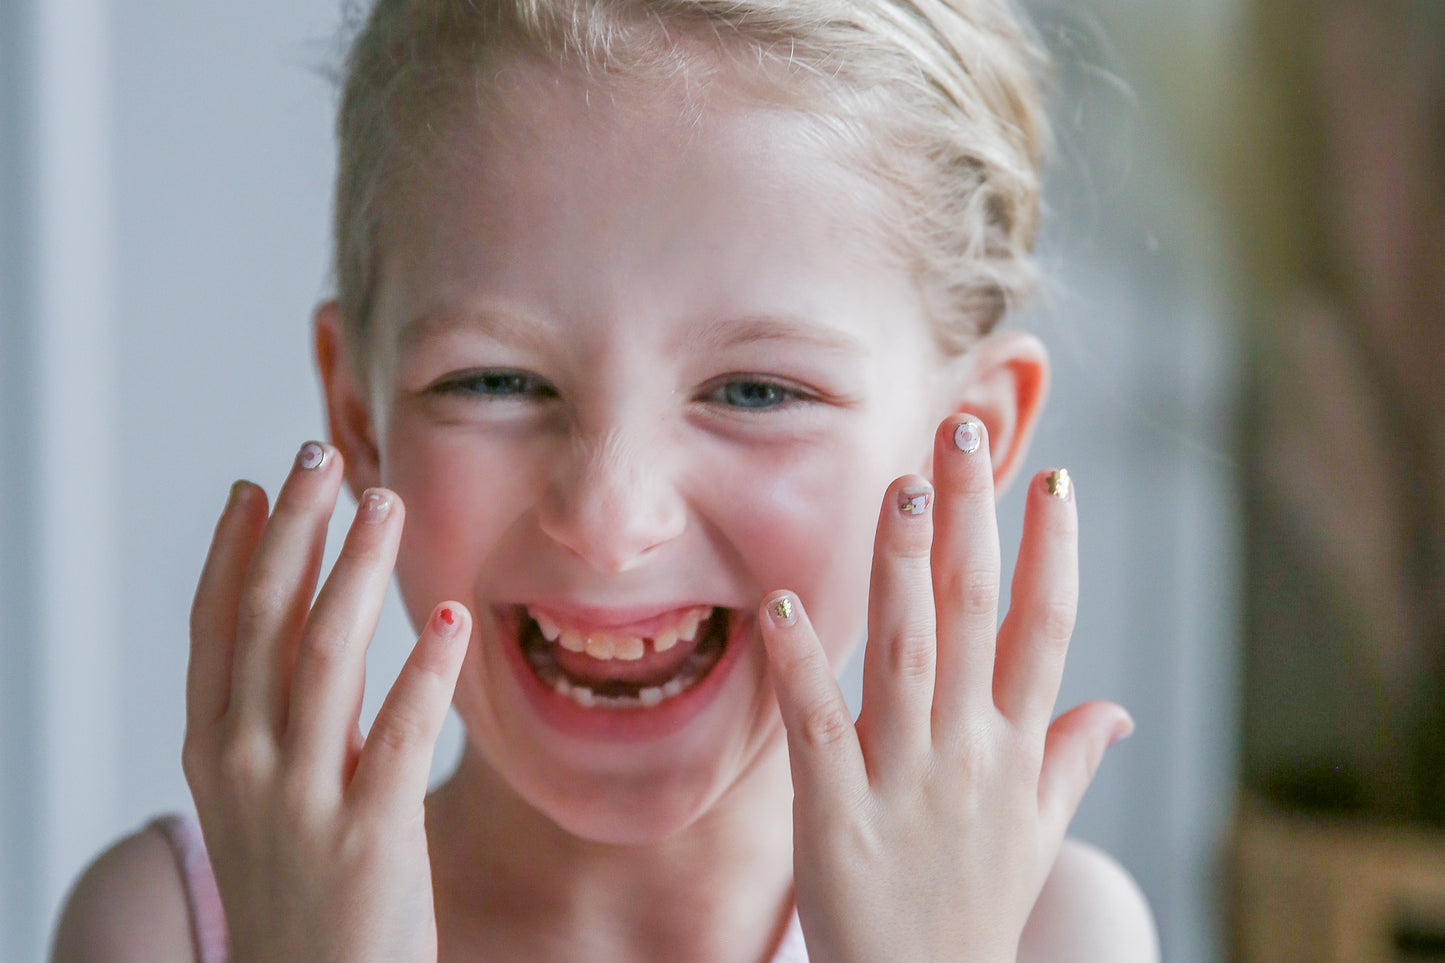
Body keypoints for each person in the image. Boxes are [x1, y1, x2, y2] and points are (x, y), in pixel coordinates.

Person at [52, 0, 1159, 958]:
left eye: (755, 392)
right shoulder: (172, 932)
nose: (608, 519)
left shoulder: (1046, 940)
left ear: (960, 436)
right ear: (358, 416)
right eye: (493, 380)